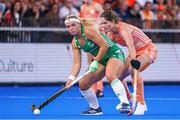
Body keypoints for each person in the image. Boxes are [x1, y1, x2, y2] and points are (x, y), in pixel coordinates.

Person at [64, 15, 131, 115]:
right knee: (83, 83)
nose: (71, 28)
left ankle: (125, 103)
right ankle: (95, 108)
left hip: (114, 53)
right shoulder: (75, 42)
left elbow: (104, 45)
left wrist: (95, 61)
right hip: (101, 59)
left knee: (110, 75)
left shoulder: (88, 32)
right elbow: (77, 62)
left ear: (79, 24)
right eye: (68, 26)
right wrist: (71, 78)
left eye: (73, 25)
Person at [99, 10, 158, 115]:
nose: (103, 25)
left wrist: (134, 59)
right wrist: (100, 33)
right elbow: (106, 46)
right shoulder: (110, 33)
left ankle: (141, 103)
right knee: (116, 77)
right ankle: (129, 98)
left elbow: (130, 46)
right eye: (101, 23)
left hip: (148, 50)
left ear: (113, 21)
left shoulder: (123, 29)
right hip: (135, 52)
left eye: (105, 23)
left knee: (132, 70)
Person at [79, 0, 104, 98]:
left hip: (96, 35)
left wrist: (96, 26)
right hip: (87, 36)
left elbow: (103, 18)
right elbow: (81, 20)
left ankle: (99, 89)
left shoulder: (97, 5)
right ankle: (92, 88)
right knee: (90, 63)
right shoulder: (82, 7)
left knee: (97, 61)